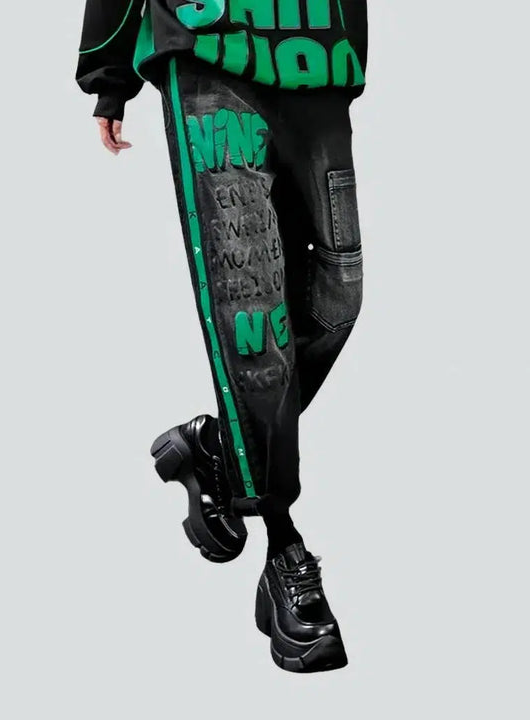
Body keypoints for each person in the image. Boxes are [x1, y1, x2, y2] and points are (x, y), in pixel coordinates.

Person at [76, 0, 368, 673]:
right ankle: (283, 546)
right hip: (209, 51)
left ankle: (216, 448)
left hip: (317, 51)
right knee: (250, 310)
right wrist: (109, 75)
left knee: (340, 292)